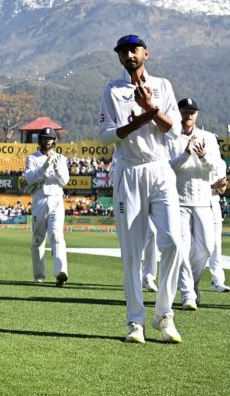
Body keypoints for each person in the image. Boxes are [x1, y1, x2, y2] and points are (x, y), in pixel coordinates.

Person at [98, 34, 183, 344]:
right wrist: (140, 120)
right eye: (123, 51)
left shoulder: (163, 85)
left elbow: (174, 130)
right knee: (132, 253)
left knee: (173, 242)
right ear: (119, 57)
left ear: (146, 52)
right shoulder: (112, 90)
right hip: (128, 171)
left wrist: (151, 110)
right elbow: (107, 137)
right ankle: (136, 323)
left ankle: (165, 315)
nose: (129, 55)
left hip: (160, 169)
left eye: (134, 50)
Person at [169, 98, 226, 311]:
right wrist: (186, 153)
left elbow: (214, 169)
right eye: (185, 110)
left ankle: (191, 282)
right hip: (179, 199)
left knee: (207, 247)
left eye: (192, 111)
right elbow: (168, 167)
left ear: (197, 114)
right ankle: (187, 294)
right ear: (178, 112)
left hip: (203, 199)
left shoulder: (209, 138)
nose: (189, 114)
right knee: (182, 248)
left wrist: (201, 156)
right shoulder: (170, 137)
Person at [22, 127, 70, 286]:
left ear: (54, 141)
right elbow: (30, 179)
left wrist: (55, 167)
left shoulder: (61, 159)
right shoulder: (32, 158)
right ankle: (39, 274)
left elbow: (64, 181)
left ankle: (61, 272)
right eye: (44, 138)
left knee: (57, 236)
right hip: (40, 199)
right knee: (38, 239)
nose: (47, 141)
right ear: (40, 140)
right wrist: (44, 167)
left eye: (50, 138)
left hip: (56, 199)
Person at [207, 172, 230, 292]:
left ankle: (217, 281)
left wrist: (221, 186)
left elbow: (222, 191)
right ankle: (185, 280)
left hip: (214, 207)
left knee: (217, 245)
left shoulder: (220, 163)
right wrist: (213, 186)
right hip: (195, 205)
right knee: (194, 247)